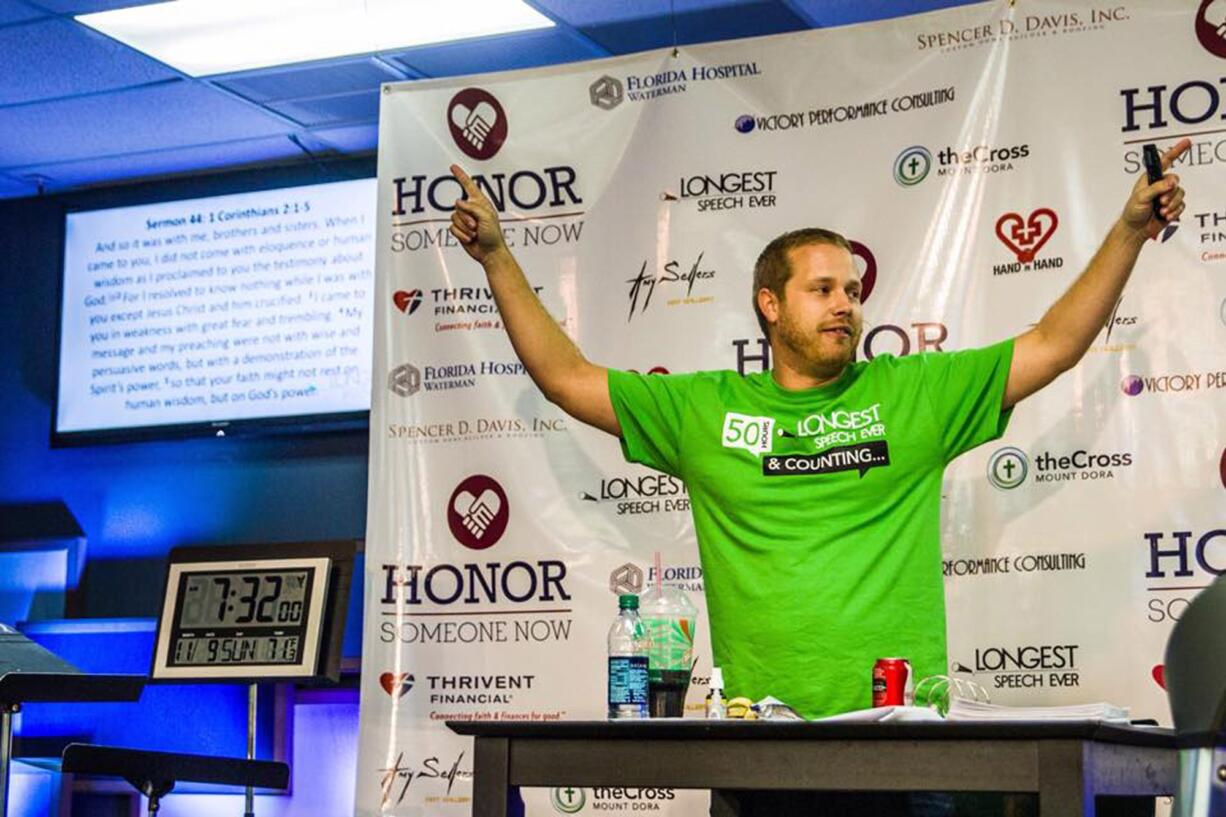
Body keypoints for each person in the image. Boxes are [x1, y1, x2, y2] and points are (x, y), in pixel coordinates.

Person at [444, 140, 1189, 721]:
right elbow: (567, 378)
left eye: (855, 291)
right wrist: (498, 259)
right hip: (762, 737)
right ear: (769, 304)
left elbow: (1054, 344)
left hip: (900, 732)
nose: (846, 305)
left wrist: (1127, 231)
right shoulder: (703, 408)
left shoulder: (914, 391)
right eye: (823, 289)